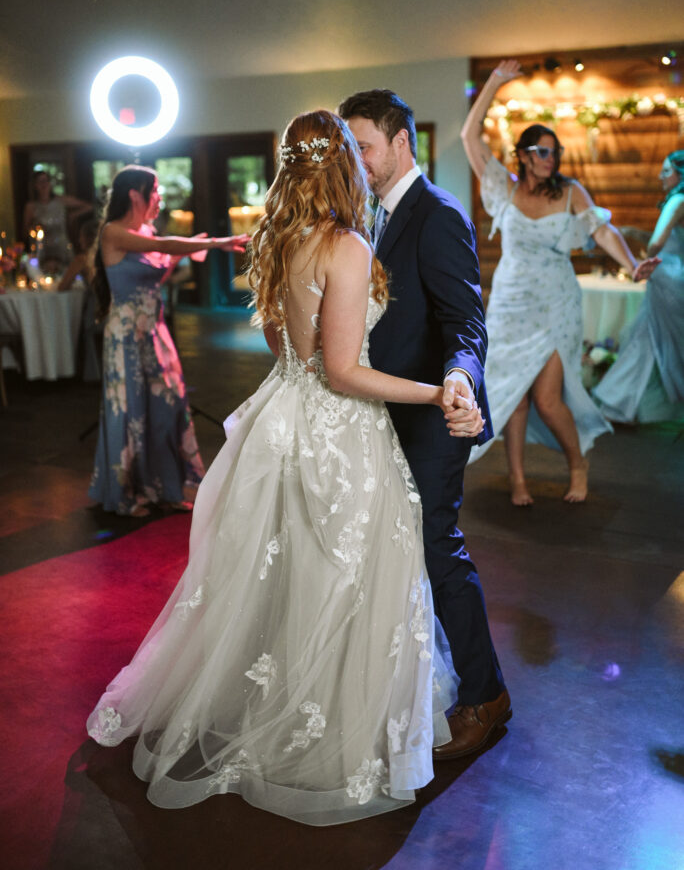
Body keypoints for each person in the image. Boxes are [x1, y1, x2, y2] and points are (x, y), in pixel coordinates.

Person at [87, 111, 469, 824]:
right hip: (341, 431)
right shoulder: (347, 247)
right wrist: (435, 391)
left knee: (292, 577)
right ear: (347, 167)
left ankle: (284, 704)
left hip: (283, 419)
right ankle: (326, 736)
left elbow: (280, 341)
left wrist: (308, 372)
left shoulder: (278, 237)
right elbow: (348, 373)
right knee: (344, 582)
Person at [338, 89, 510, 761]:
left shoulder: (436, 212)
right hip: (389, 410)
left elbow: (466, 320)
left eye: (365, 147)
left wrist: (460, 379)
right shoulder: (375, 214)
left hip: (437, 414)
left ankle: (486, 694)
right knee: (399, 548)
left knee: (436, 546)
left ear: (402, 143)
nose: (357, 160)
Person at [460, 59, 660, 506]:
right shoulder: (504, 188)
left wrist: (631, 263)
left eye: (554, 152)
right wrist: (494, 81)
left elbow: (602, 230)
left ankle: (577, 463)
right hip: (511, 302)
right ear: (525, 155)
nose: (551, 159)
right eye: (542, 151)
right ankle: (516, 480)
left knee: (548, 399)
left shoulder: (571, 192)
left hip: (555, 304)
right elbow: (469, 137)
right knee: (512, 394)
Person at [89, 165, 249, 518]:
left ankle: (167, 487)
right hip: (126, 336)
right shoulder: (113, 233)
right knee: (132, 410)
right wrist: (217, 243)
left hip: (154, 330)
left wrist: (181, 253)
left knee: (169, 405)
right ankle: (130, 492)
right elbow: (161, 245)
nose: (159, 197)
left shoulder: (145, 230)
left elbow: (155, 276)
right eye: (156, 190)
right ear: (135, 195)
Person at [594, 150, 684, 422]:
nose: (660, 176)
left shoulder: (678, 199)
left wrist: (640, 260)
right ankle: (624, 401)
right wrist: (635, 232)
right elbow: (670, 240)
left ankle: (616, 400)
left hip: (666, 275)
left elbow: (657, 244)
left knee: (649, 337)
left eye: (666, 171)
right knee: (651, 337)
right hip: (676, 272)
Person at [22, 169, 92, 270]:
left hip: (61, 248)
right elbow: (24, 231)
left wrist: (73, 215)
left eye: (46, 181)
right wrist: (34, 229)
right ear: (35, 185)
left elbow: (89, 206)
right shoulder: (31, 206)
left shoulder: (61, 201)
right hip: (43, 250)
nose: (44, 184)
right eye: (40, 182)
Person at [57, 218, 98, 292]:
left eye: (81, 236)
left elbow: (63, 287)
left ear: (87, 238)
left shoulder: (82, 259)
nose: (79, 240)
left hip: (97, 301)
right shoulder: (107, 256)